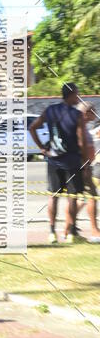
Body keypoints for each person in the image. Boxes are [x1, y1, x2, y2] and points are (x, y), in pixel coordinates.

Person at [29, 83, 87, 244]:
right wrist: (85, 162)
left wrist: (42, 148)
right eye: (77, 94)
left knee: (53, 196)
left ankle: (52, 232)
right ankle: (70, 233)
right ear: (71, 95)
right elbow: (81, 141)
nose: (78, 97)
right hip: (73, 160)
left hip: (53, 160)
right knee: (73, 197)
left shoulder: (50, 110)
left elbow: (33, 127)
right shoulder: (77, 115)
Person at [73, 103, 100, 243]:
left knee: (81, 198)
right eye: (93, 111)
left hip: (87, 166)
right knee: (91, 197)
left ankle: (70, 227)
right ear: (86, 112)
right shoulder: (81, 128)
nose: (96, 113)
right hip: (88, 167)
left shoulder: (88, 128)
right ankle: (95, 231)